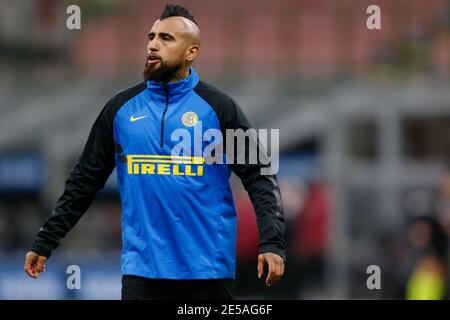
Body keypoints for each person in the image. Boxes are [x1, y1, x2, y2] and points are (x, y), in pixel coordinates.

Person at [24, 4, 286, 300]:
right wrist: (46, 240)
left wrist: (272, 243)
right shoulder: (120, 110)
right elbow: (84, 181)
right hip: (142, 272)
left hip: (207, 271)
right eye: (151, 36)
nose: (153, 44)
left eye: (166, 38)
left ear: (192, 52)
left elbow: (260, 175)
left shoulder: (219, 109)